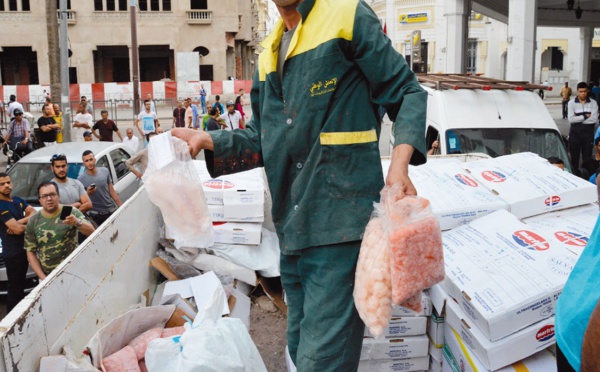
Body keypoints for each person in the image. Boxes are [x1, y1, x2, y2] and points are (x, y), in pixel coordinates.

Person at [171, 0, 427, 369]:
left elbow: (406, 91)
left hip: (340, 225)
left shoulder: (346, 15)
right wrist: (208, 140)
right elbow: (264, 139)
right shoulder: (268, 52)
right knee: (298, 347)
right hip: (292, 231)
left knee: (320, 361)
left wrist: (400, 166)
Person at [24, 182, 94, 280]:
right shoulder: (34, 220)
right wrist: (43, 278)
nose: (49, 199)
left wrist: (77, 222)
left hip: (75, 272)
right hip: (49, 276)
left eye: (52, 194)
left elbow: (92, 232)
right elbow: (30, 252)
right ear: (40, 200)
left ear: (58, 196)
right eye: (44, 196)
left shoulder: (71, 211)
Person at [0, 173, 35, 311]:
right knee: (15, 289)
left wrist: (20, 221)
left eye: (8, 182)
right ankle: (10, 321)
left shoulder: (17, 200)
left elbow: (33, 212)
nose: (7, 186)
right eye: (2, 184)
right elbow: (18, 230)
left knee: (20, 288)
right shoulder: (1, 206)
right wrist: (27, 226)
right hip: (13, 253)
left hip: (25, 249)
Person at [78, 150, 122, 226]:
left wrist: (122, 207)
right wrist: (88, 193)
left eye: (91, 159)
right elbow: (81, 201)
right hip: (95, 215)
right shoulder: (81, 179)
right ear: (84, 163)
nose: (90, 163)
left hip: (111, 210)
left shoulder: (105, 171)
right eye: (87, 161)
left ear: (95, 159)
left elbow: (112, 192)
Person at [568, 82, 599, 173]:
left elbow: (594, 119)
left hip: (588, 135)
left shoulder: (593, 103)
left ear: (587, 91)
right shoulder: (571, 103)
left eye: (585, 91)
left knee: (587, 159)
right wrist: (585, 116)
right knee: (574, 159)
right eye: (581, 91)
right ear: (577, 92)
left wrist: (577, 119)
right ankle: (574, 176)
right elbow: (571, 119)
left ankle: (587, 177)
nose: (583, 93)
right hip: (574, 135)